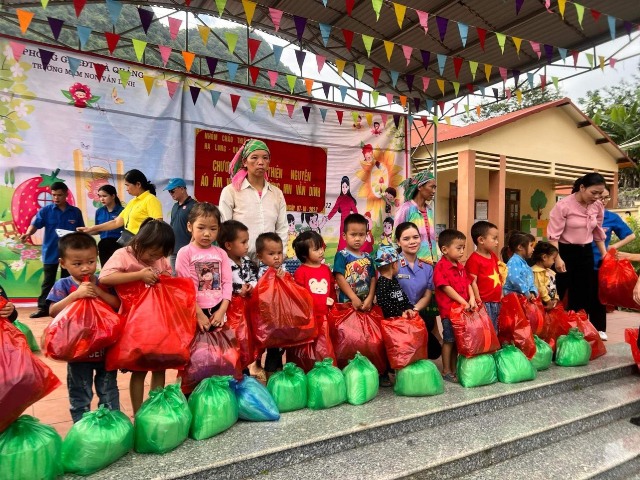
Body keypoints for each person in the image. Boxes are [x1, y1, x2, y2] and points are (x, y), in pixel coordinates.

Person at [99, 218, 174, 413]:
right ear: (140, 242)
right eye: (152, 253)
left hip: (158, 323)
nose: (154, 258)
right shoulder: (123, 255)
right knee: (139, 370)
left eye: (160, 255)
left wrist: (164, 278)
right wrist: (139, 275)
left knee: (159, 367)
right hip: (135, 325)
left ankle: (155, 409)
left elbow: (168, 276)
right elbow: (105, 277)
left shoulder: (160, 259)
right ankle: (139, 412)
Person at [47, 232, 121, 422]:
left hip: (105, 350)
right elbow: (53, 311)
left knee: (108, 390)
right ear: (63, 263)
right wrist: (75, 295)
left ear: (97, 257)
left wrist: (97, 291)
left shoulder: (104, 281)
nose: (86, 268)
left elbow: (116, 304)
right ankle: (81, 426)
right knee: (80, 392)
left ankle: (111, 424)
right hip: (78, 352)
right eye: (77, 264)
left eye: (91, 261)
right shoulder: (63, 285)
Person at [20, 181, 85, 318]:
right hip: (50, 250)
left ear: (66, 195)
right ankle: (43, 308)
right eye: (53, 195)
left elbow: (81, 230)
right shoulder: (45, 211)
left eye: (59, 195)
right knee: (48, 281)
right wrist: (28, 233)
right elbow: (35, 225)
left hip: (70, 252)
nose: (56, 198)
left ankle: (68, 307)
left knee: (68, 279)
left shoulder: (75, 212)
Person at [547, 173, 607, 318]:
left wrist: (604, 254)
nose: (597, 197)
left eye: (600, 194)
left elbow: (597, 231)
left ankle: (578, 324)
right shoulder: (563, 206)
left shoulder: (597, 206)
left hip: (586, 252)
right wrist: (557, 258)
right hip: (564, 251)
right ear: (582, 187)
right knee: (559, 290)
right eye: (594, 192)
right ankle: (554, 323)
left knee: (583, 292)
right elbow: (553, 235)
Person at [219, 139, 288, 262]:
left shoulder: (277, 193)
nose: (260, 162)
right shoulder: (231, 191)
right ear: (245, 162)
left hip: (269, 262)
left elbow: (282, 228)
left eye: (265, 158)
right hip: (239, 261)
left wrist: (281, 255)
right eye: (254, 158)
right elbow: (224, 228)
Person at [176, 203, 232, 333]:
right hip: (194, 309)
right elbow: (184, 287)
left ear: (218, 229)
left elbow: (227, 282)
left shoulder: (221, 254)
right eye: (201, 228)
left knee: (218, 344)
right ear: (190, 226)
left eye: (213, 229)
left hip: (218, 308)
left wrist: (222, 311)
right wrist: (199, 314)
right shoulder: (185, 253)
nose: (207, 234)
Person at [590, 187, 635, 340]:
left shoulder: (611, 217)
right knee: (582, 295)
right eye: (600, 197)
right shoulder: (583, 215)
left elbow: (630, 235)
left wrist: (613, 246)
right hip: (580, 262)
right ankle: (581, 327)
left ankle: (599, 328)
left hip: (601, 263)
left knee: (599, 296)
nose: (603, 201)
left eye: (606, 198)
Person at [433, 229, 476, 383]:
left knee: (457, 342)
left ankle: (453, 368)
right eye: (458, 248)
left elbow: (468, 283)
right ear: (445, 249)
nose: (462, 251)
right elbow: (446, 288)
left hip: (462, 311)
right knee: (449, 340)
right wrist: (463, 301)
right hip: (449, 312)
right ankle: (446, 370)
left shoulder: (460, 266)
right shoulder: (441, 267)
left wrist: (472, 298)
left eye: (463, 248)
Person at [395, 222, 441, 359]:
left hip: (417, 315)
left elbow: (427, 295)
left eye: (415, 237)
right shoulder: (392, 265)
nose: (412, 242)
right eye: (406, 239)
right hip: (396, 316)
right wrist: (403, 312)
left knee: (434, 351)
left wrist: (414, 310)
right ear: (398, 242)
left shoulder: (427, 268)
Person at [78, 169, 163, 240]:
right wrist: (91, 228)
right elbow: (116, 222)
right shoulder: (132, 202)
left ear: (138, 184)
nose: (126, 189)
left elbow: (158, 225)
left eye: (127, 185)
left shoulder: (151, 199)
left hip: (143, 244)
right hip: (131, 243)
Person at [255, 232, 287, 379]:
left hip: (282, 317)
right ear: (260, 257)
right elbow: (264, 293)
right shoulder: (263, 271)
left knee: (280, 350)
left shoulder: (283, 268)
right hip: (270, 320)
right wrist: (278, 280)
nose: (276, 257)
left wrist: (284, 279)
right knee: (273, 351)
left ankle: (278, 377)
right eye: (271, 254)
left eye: (279, 253)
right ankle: (271, 380)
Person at [333, 213, 376, 311]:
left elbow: (373, 278)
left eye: (361, 235)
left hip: (366, 304)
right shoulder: (342, 255)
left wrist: (370, 298)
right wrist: (353, 298)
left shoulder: (368, 257)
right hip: (348, 305)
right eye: (353, 234)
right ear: (344, 236)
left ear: (366, 235)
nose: (357, 238)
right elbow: (339, 278)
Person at [394, 171, 438, 264]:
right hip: (413, 264)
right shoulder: (406, 209)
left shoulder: (429, 210)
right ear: (420, 187)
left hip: (431, 263)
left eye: (435, 188)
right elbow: (395, 238)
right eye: (432, 187)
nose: (434, 191)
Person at [465, 221, 503, 332]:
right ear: (481, 240)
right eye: (494, 238)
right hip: (485, 303)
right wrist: (478, 301)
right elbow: (472, 282)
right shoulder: (474, 259)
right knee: (487, 330)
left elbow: (499, 275)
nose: (497, 242)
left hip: (496, 301)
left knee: (496, 329)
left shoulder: (493, 256)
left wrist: (501, 294)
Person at [293, 231, 335, 317]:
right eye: (316, 249)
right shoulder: (300, 272)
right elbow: (300, 297)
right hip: (310, 317)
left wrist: (334, 306)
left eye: (321, 247)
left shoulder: (326, 269)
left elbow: (331, 290)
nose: (321, 251)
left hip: (326, 315)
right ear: (304, 254)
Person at [218, 220, 258, 297]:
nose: (247, 246)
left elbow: (255, 277)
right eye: (243, 242)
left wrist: (251, 286)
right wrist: (237, 288)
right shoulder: (221, 264)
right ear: (228, 245)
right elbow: (219, 284)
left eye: (247, 242)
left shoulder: (247, 260)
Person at [165, 178, 197, 274]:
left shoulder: (194, 206)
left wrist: (191, 247)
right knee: (176, 278)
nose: (170, 193)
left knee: (188, 278)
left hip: (188, 252)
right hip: (174, 251)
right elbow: (172, 226)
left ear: (182, 189)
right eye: (169, 191)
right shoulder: (175, 207)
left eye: (172, 190)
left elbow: (197, 229)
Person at [374, 245, 414, 319]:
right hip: (391, 322)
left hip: (401, 319)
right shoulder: (382, 283)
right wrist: (400, 313)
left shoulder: (394, 280)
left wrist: (409, 308)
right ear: (395, 265)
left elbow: (403, 296)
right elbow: (383, 304)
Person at [322, 176, 358, 252]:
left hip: (349, 223)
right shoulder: (340, 198)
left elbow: (356, 212)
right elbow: (334, 209)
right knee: (342, 239)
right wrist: (328, 218)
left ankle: (349, 253)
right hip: (342, 223)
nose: (344, 189)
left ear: (348, 187)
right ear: (341, 187)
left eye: (346, 187)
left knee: (349, 238)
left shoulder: (350, 200)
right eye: (343, 187)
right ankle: (341, 254)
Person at [94, 184, 124, 267]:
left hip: (119, 244)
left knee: (119, 267)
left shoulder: (122, 211)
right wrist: (85, 231)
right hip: (103, 245)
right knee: (106, 268)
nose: (102, 199)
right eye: (100, 196)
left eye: (104, 196)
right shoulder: (99, 211)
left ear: (113, 196)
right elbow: (97, 230)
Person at [502, 231, 537, 300]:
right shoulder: (514, 261)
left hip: (523, 298)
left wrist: (532, 292)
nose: (533, 249)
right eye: (531, 246)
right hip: (513, 300)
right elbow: (515, 279)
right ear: (520, 247)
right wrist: (527, 293)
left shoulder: (524, 263)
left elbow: (531, 281)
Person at [531, 241, 559, 310]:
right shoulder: (537, 272)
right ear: (544, 257)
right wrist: (548, 301)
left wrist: (555, 298)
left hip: (550, 303)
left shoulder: (550, 272)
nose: (554, 262)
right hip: (542, 305)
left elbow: (553, 286)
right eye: (553, 259)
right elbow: (540, 288)